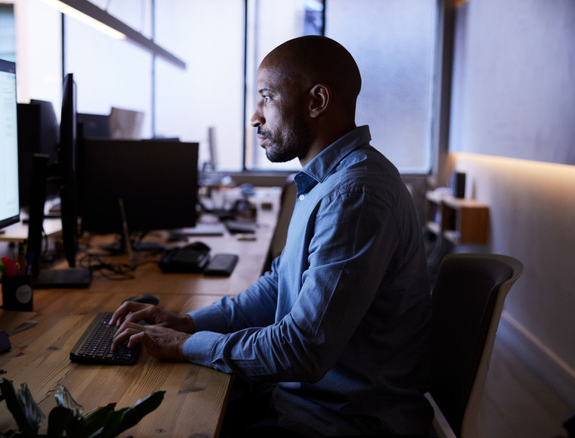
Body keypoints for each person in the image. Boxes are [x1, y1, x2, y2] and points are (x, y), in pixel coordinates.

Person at [110, 35, 432, 437]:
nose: (255, 117)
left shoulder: (356, 194)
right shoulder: (328, 180)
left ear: (316, 101)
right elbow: (279, 284)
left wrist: (183, 345)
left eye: (266, 98)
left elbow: (302, 349)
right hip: (305, 403)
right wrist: (186, 322)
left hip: (342, 423)